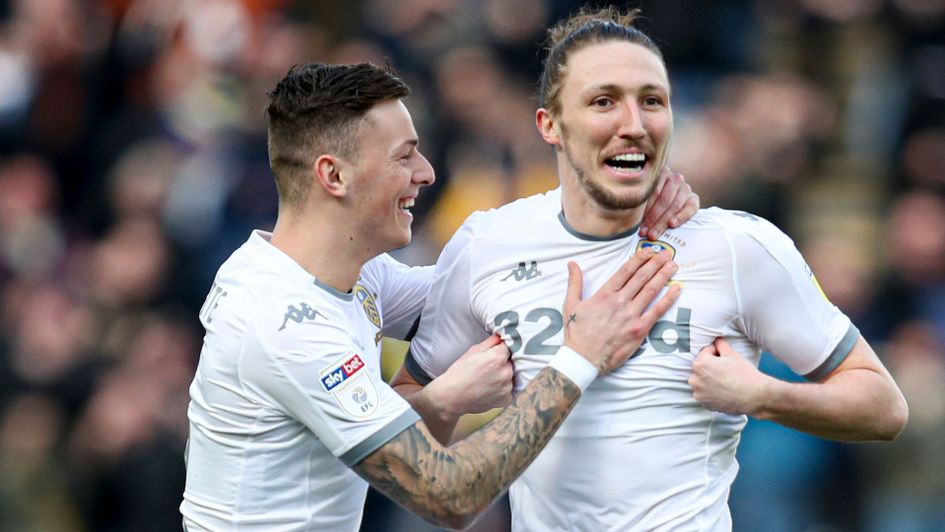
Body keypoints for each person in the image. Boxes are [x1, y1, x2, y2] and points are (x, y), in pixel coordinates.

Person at [393, 7, 909, 531]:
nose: (634, 125)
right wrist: (448, 400)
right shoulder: (487, 245)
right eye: (603, 102)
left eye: (652, 101)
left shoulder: (739, 247)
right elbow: (391, 439)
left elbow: (884, 407)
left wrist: (761, 395)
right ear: (550, 125)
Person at [178, 61, 693, 531]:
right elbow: (450, 496)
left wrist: (624, 203)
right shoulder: (285, 324)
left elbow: (497, 283)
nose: (426, 172)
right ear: (334, 175)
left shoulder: (350, 274)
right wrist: (579, 358)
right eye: (404, 156)